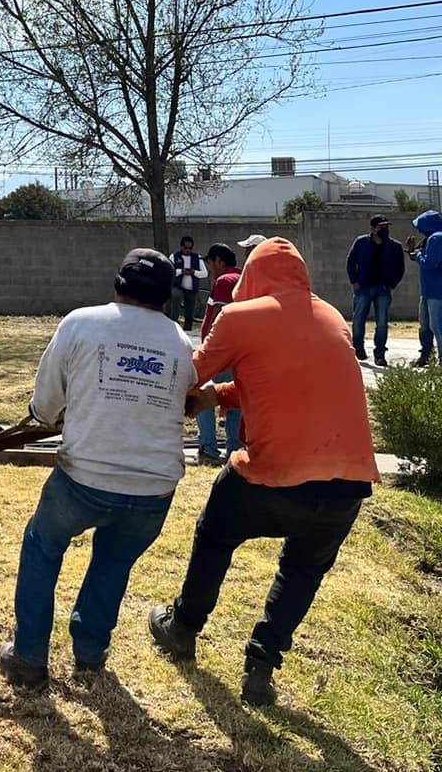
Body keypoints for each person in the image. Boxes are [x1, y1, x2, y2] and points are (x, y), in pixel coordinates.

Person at [149, 236, 378, 708]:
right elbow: (284, 378)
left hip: (278, 476)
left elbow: (188, 374)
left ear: (250, 277)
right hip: (348, 482)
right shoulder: (330, 315)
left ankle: (184, 626)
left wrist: (183, 393)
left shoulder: (238, 316)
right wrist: (221, 397)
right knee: (302, 570)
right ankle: (261, 666)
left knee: (215, 531)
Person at [0, 249, 195, 688]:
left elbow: (46, 407)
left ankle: (28, 657)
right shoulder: (181, 342)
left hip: (84, 477)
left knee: (42, 546)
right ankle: (89, 653)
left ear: (117, 286)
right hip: (155, 486)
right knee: (113, 561)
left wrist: (50, 413)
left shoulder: (81, 322)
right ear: (166, 298)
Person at [195, 244, 243, 466]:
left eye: (209, 262)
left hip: (219, 350)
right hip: (238, 349)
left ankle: (208, 447)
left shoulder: (224, 281)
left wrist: (208, 348)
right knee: (233, 398)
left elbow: (219, 316)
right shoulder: (242, 277)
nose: (209, 267)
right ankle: (234, 447)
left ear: (219, 261)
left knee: (200, 394)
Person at [346, 215, 405, 366]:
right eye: (381, 227)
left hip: (383, 290)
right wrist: (354, 281)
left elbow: (400, 268)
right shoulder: (361, 243)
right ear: (372, 229)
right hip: (363, 288)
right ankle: (358, 349)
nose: (385, 230)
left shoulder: (394, 246)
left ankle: (380, 354)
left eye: (387, 227)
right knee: (358, 320)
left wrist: (392, 284)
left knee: (382, 323)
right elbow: (351, 262)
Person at [407, 210, 442, 364]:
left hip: (437, 292)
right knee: (426, 326)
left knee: (437, 327)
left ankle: (441, 360)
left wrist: (417, 255)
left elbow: (430, 263)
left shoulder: (436, 238)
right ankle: (427, 356)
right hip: (429, 291)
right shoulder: (433, 238)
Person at [170, 236, 208, 330]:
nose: (188, 250)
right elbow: (169, 271)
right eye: (186, 248)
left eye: (190, 248)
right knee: (176, 297)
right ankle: (173, 326)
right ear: (181, 247)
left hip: (191, 288)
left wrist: (193, 272)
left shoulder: (197, 258)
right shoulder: (174, 256)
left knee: (190, 313)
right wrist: (181, 271)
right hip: (177, 286)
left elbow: (205, 273)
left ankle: (188, 330)